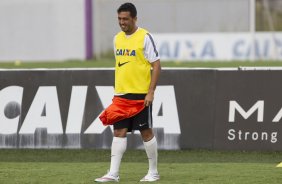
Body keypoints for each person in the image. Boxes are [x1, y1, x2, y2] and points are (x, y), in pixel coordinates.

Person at [95, 2, 161, 183]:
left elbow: (156, 65)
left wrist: (151, 91)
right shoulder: (117, 39)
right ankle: (113, 174)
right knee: (119, 132)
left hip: (141, 95)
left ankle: (153, 172)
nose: (122, 22)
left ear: (134, 19)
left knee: (146, 132)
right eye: (119, 19)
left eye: (125, 19)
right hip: (121, 95)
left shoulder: (145, 37)